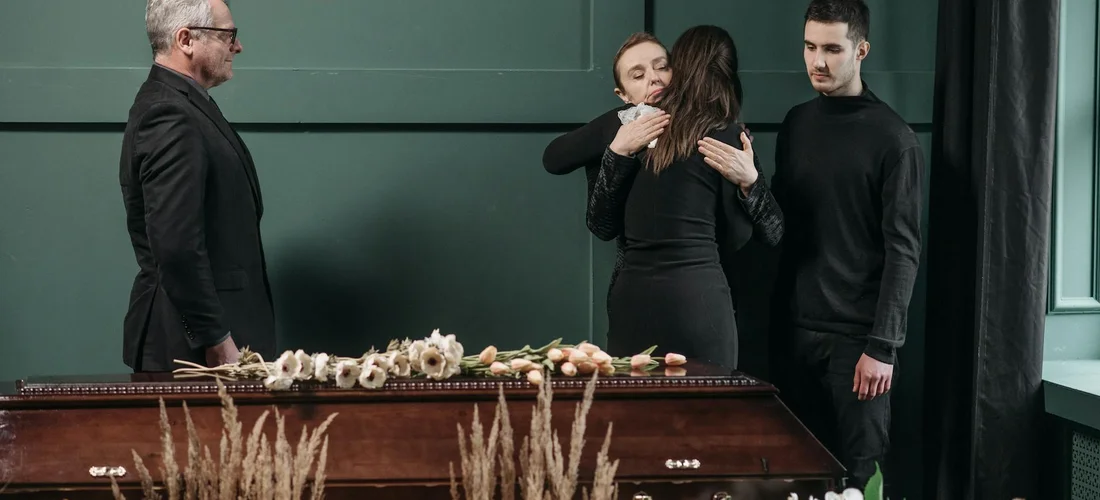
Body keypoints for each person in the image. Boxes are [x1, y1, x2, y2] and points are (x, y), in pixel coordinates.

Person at [756, 0, 924, 491]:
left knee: (859, 481)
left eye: (832, 48)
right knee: (796, 478)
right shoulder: (796, 123)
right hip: (792, 333)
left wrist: (883, 347)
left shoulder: (894, 139)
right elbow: (779, 227)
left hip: (858, 345)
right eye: (810, 47)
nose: (817, 61)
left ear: (861, 50)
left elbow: (904, 250)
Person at [588, 25, 784, 371]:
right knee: (708, 418)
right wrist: (750, 183)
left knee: (633, 420)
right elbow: (767, 233)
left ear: (678, 70)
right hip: (699, 302)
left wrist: (616, 151)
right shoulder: (727, 136)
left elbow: (599, 221)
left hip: (632, 299)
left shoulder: (631, 133)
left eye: (662, 67)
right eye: (639, 73)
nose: (655, 79)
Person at [119, 0, 275, 372]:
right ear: (186, 39)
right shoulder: (169, 113)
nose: (237, 46)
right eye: (228, 35)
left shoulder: (185, 105)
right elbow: (175, 245)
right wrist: (216, 340)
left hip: (205, 345)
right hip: (195, 352)